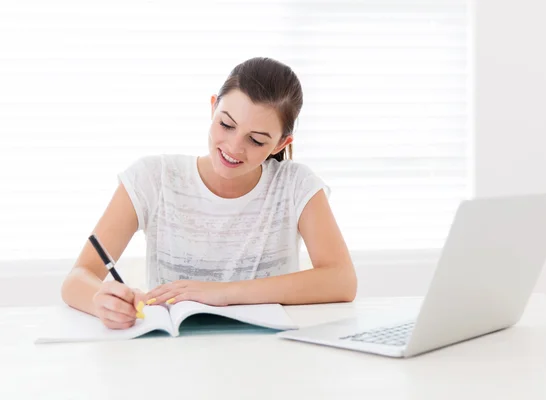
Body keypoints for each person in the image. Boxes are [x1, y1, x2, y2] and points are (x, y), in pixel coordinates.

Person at [61, 57, 357, 330]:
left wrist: (221, 293)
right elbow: (77, 279)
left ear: (281, 144)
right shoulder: (153, 178)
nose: (233, 147)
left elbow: (341, 281)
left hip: (268, 361)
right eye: (226, 124)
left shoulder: (295, 185)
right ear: (213, 107)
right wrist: (101, 301)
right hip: (174, 359)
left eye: (256, 140)